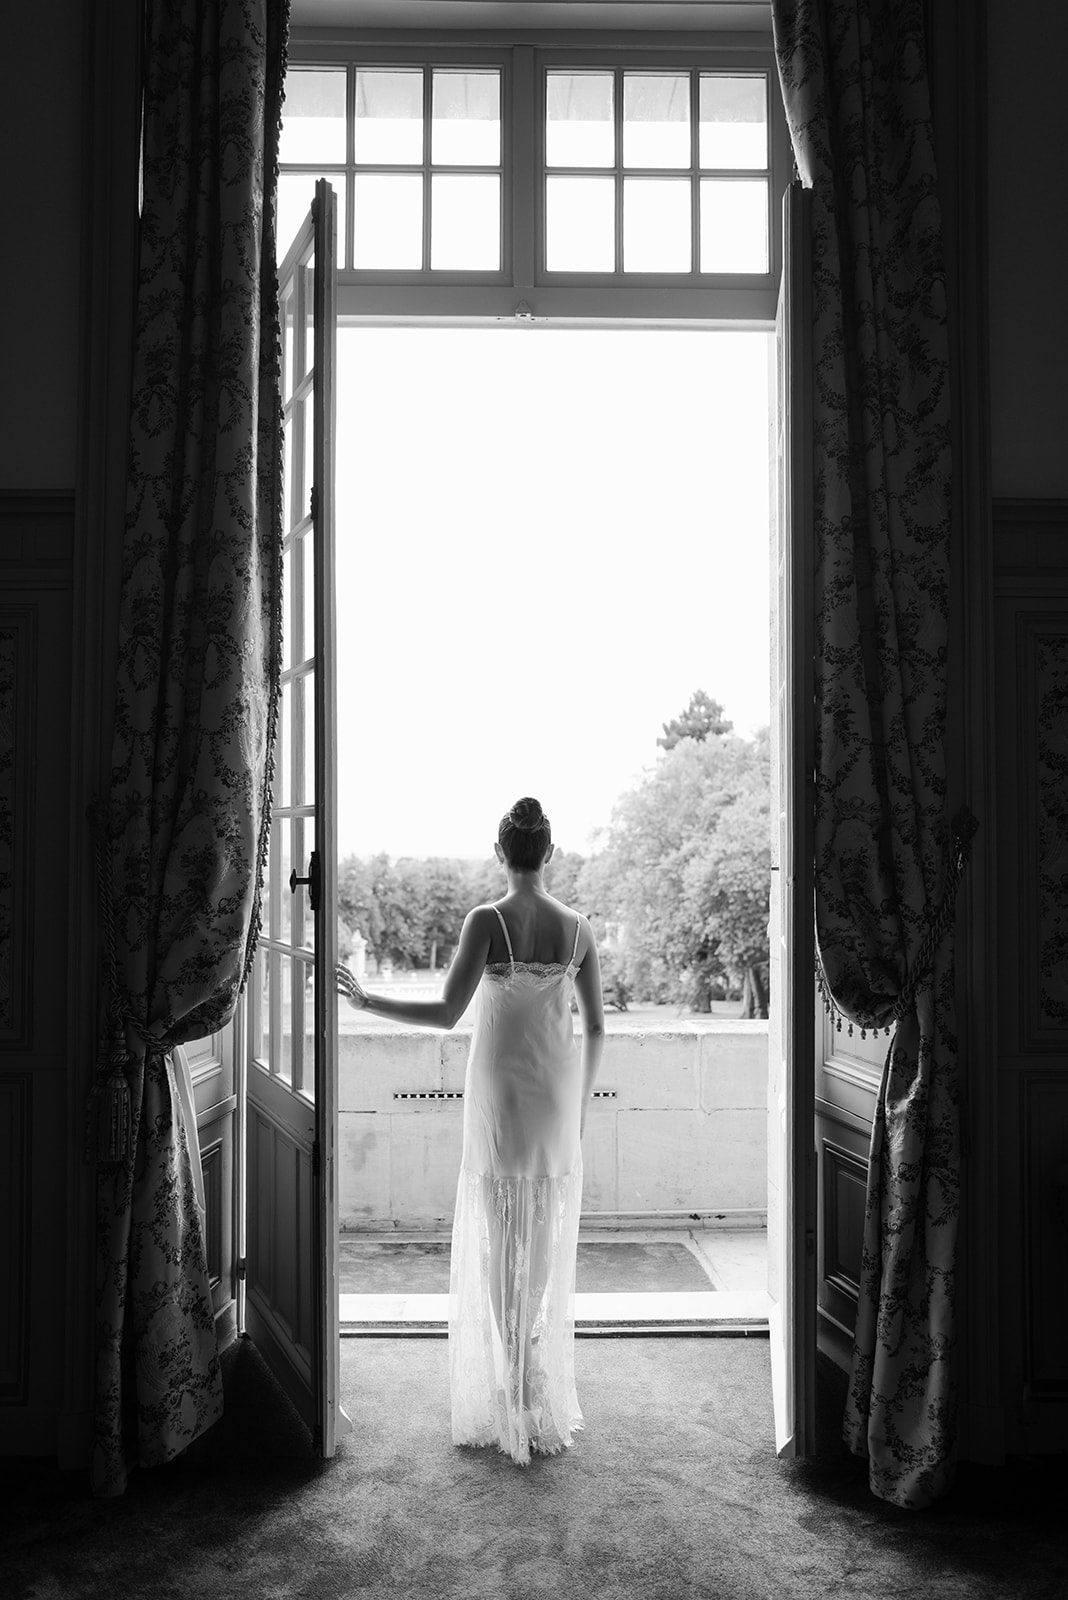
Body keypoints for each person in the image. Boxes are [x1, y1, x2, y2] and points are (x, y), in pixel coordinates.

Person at [336, 796, 605, 1465]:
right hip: (552, 1104)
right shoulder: (578, 929)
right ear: (550, 853)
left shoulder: (487, 920)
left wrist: (368, 1000)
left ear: (500, 853)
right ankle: (528, 1368)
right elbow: (596, 1027)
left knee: (497, 1240)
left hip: (498, 1101)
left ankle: (511, 1379)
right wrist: (580, 1105)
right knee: (540, 1240)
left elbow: (446, 1013)